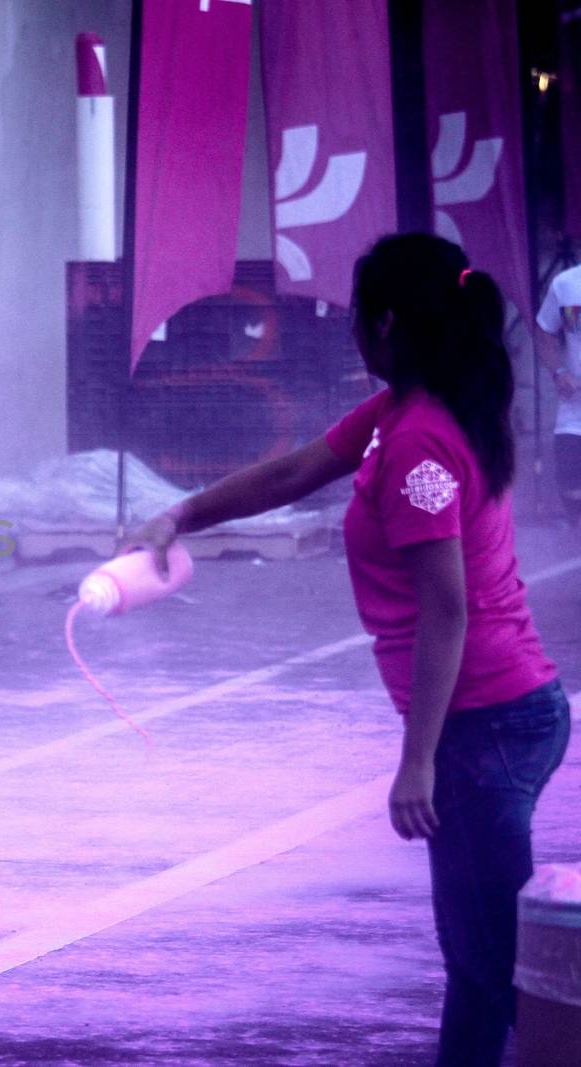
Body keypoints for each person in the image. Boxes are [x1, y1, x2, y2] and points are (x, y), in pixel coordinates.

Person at [130, 233, 569, 1067]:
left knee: (495, 970)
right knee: (481, 967)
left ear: (391, 324)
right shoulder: (407, 411)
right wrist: (180, 515)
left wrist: (418, 760)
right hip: (500, 717)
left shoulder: (418, 448)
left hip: (485, 726)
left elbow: (449, 612)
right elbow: (295, 470)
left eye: (359, 316)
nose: (351, 331)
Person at [535, 262, 581, 525]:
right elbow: (544, 329)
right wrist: (558, 371)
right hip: (574, 417)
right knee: (572, 493)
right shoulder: (566, 284)